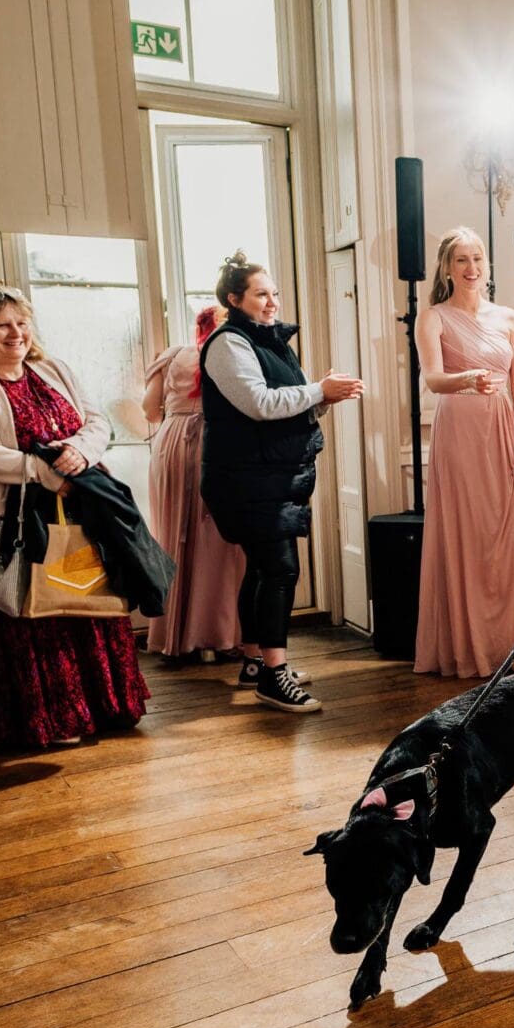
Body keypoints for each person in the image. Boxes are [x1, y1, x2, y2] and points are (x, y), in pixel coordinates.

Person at [0, 287, 147, 748]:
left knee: (85, 602)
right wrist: (45, 473)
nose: (17, 332)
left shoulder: (54, 370)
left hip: (79, 507)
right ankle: (49, 720)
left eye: (21, 322)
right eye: (2, 324)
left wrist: (78, 451)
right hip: (12, 518)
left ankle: (107, 706)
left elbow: (97, 422)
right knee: (34, 614)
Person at [201, 253, 362, 713]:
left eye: (274, 293)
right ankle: (274, 677)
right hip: (244, 480)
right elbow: (258, 403)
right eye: (260, 294)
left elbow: (289, 403)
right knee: (280, 569)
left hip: (269, 476)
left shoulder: (270, 340)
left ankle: (255, 661)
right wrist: (319, 390)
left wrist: (324, 397)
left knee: (260, 568)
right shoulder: (228, 343)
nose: (272, 302)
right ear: (234, 299)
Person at [413, 228, 514, 678]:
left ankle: (512, 643)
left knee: (509, 538)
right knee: (468, 537)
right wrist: (466, 379)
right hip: (459, 432)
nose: (471, 269)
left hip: (503, 429)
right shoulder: (432, 317)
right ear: (446, 268)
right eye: (460, 261)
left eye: (477, 259)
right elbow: (433, 379)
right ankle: (470, 648)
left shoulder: (509, 318)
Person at [142, 303, 245, 660]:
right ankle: (220, 636)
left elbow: (149, 410)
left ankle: (176, 637)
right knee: (220, 542)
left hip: (172, 445)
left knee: (171, 535)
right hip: (217, 444)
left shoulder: (172, 357)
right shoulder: (234, 355)